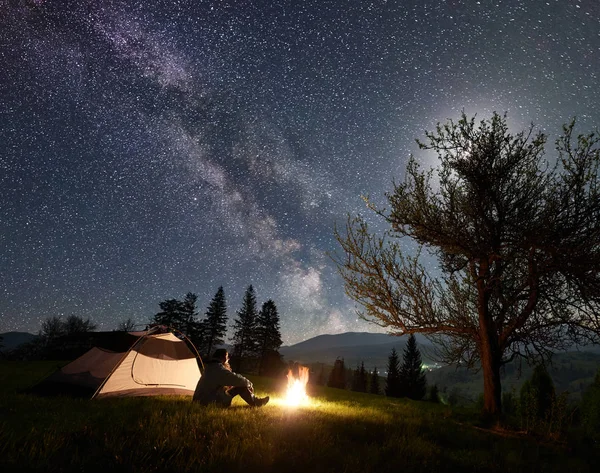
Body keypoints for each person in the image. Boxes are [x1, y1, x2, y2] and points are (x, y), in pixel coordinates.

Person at [193, 348, 269, 407]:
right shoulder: (218, 369)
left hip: (200, 400)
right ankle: (257, 403)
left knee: (237, 386)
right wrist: (249, 384)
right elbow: (237, 379)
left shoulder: (210, 367)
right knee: (241, 387)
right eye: (227, 357)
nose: (228, 359)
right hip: (209, 402)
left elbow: (229, 378)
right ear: (223, 358)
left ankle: (256, 401)